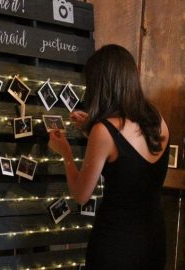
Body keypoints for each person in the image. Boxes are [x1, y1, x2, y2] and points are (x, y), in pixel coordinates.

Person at [48, 44, 169, 270]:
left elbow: (81, 194)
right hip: (153, 240)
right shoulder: (157, 119)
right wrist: (90, 127)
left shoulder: (103, 131)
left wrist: (65, 152)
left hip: (115, 244)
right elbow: (128, 154)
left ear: (100, 85)